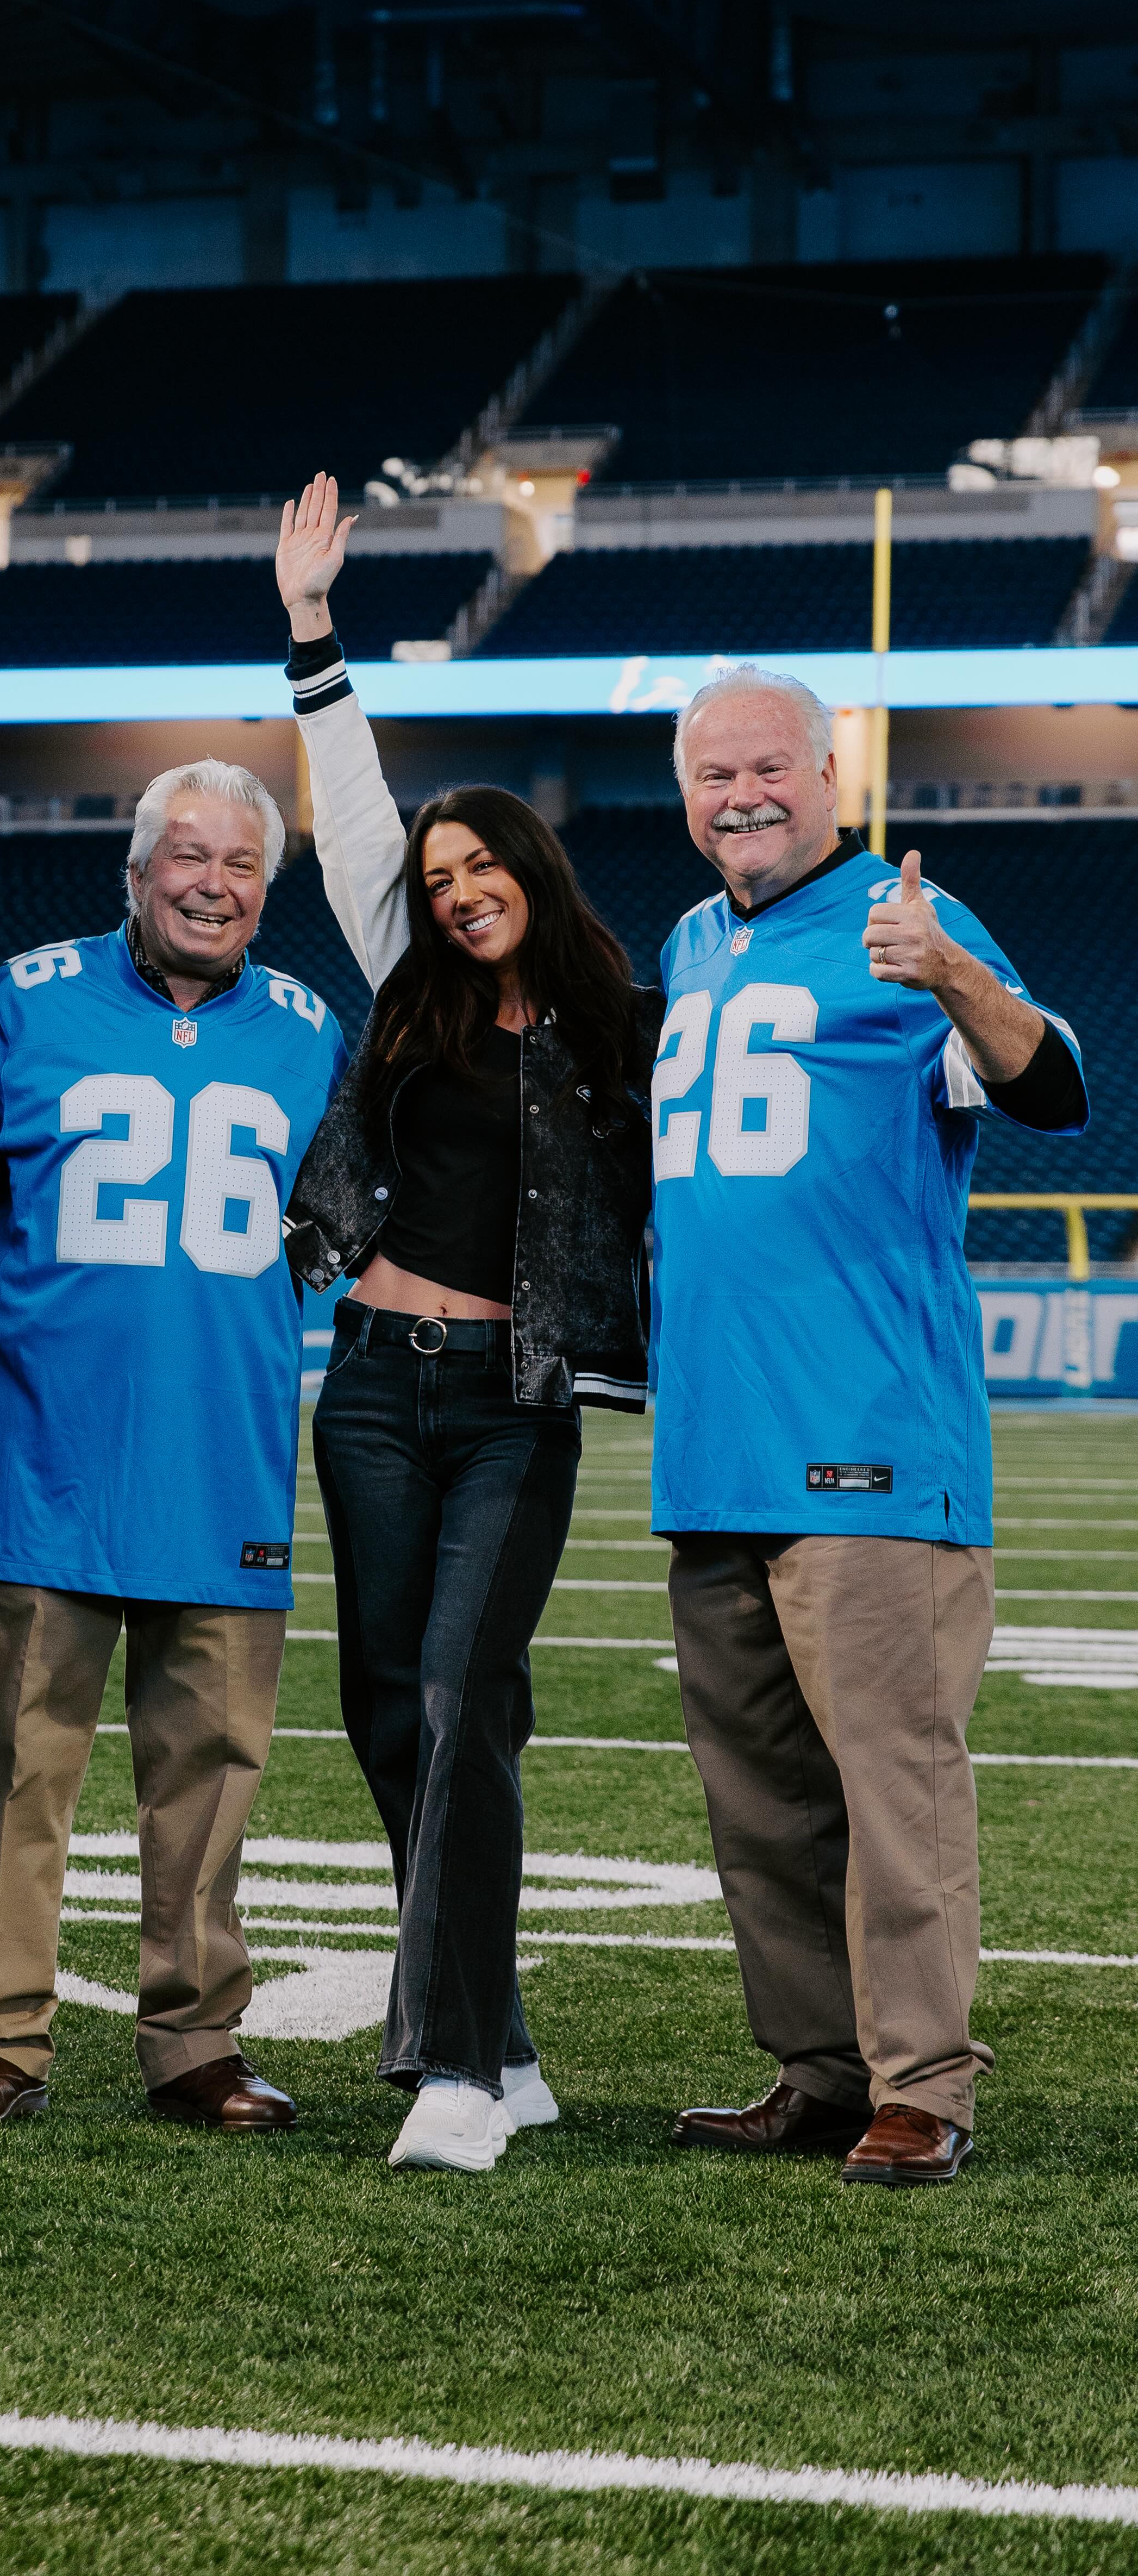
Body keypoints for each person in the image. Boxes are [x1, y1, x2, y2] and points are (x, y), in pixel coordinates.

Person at [656, 664, 1087, 2186]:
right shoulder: (691, 940)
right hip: (713, 1448)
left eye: (767, 767)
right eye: (713, 775)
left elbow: (1056, 1089)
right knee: (760, 1800)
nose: (741, 795)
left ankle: (924, 2083)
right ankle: (821, 2071)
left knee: (890, 1784)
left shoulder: (911, 921)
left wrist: (953, 976)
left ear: (828, 775)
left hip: (869, 1442)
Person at [275, 476, 661, 2175]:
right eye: (435, 874)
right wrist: (312, 637)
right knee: (384, 1707)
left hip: (513, 1400)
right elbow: (352, 818)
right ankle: (495, 2038)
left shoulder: (618, 1023)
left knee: (458, 1691)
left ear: (529, 866)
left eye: (478, 862)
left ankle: (442, 2068)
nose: (450, 888)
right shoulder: (404, 982)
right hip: (368, 1383)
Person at [0, 758, 346, 2134]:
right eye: (189, 857)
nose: (212, 884)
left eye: (239, 866)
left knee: (208, 1785)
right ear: (136, 869)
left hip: (222, 1462)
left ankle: (195, 2042)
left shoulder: (306, 1027)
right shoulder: (24, 999)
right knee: (18, 1780)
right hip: (45, 1461)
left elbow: (343, 1216)